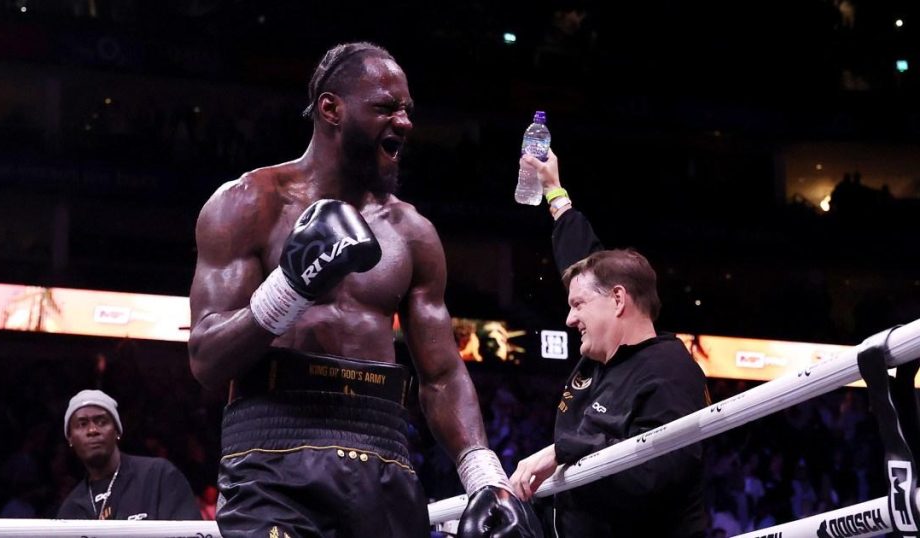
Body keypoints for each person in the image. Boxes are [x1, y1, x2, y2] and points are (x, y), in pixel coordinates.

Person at [188, 42, 540, 537]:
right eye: (386, 107)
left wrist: (484, 478)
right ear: (331, 108)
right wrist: (289, 286)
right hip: (272, 455)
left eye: (407, 109)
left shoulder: (412, 232)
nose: (404, 122)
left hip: (383, 456)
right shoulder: (248, 204)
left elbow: (441, 374)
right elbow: (206, 360)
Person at [508, 149, 710, 537]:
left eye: (577, 305)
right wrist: (554, 192)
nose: (569, 319)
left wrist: (564, 452)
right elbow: (586, 268)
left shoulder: (670, 372)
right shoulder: (602, 355)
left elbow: (653, 474)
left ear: (618, 301)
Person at [58, 389, 201, 521]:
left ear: (117, 431)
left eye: (101, 422)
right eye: (82, 424)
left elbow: (189, 532)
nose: (92, 430)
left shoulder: (158, 476)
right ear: (70, 438)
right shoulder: (70, 510)